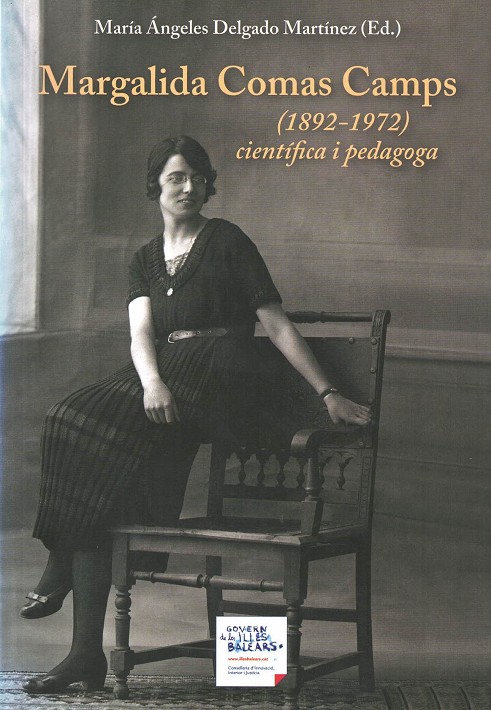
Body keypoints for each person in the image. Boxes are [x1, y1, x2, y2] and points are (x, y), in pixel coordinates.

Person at [21, 136, 371, 694]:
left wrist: (328, 392)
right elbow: (141, 333)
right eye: (175, 178)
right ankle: (84, 652)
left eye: (196, 177)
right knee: (70, 426)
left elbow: (275, 323)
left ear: (208, 185)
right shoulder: (144, 258)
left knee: (85, 443)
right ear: (155, 187)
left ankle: (59, 568)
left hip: (220, 377)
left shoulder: (227, 239)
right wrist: (152, 382)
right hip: (166, 378)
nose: (188, 187)